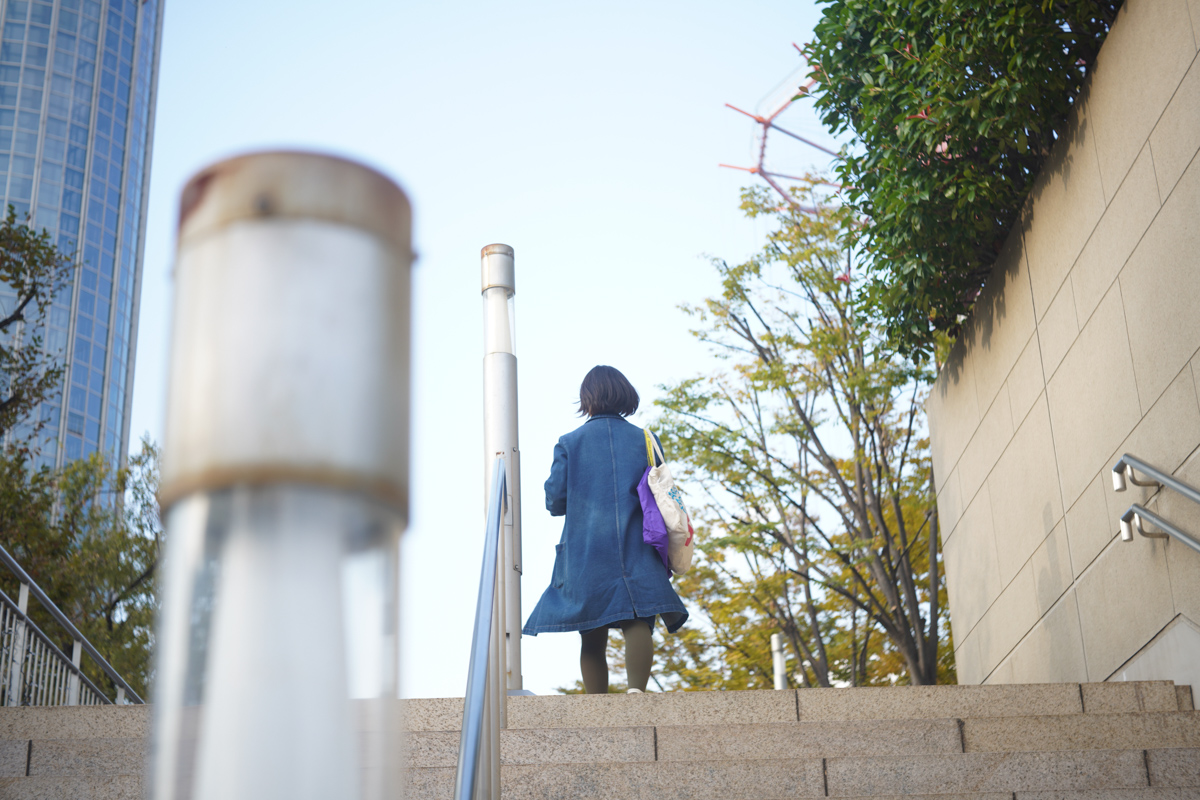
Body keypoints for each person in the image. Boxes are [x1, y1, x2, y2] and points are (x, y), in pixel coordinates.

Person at [522, 365, 688, 694]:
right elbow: (661, 490)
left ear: (588, 399)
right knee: (638, 618)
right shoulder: (645, 439)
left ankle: (597, 705)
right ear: (625, 395)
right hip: (638, 542)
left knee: (591, 630)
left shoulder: (569, 442)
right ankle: (637, 692)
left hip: (587, 548)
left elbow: (555, 500)